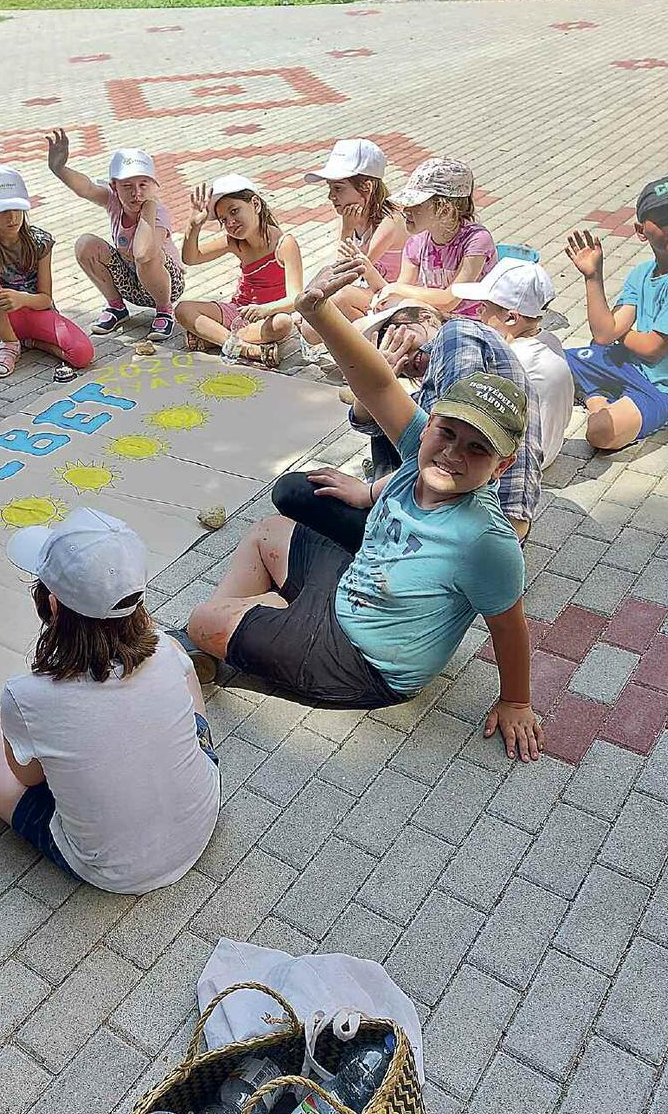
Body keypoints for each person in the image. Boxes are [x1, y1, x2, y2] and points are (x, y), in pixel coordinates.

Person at [187, 261, 541, 762]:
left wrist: (516, 701)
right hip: (353, 591)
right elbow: (376, 385)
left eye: (478, 449)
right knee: (270, 530)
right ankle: (239, 632)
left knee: (202, 619)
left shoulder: (487, 541)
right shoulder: (421, 440)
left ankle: (223, 633)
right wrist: (317, 310)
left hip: (364, 662)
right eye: (447, 433)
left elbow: (510, 627)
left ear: (502, 465)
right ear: (431, 421)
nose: (453, 454)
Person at [0, 509, 220, 893]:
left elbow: (28, 778)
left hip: (111, 869)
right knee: (182, 674)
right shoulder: (166, 649)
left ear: (52, 605)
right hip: (203, 817)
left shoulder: (25, 695)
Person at [274, 309, 543, 550]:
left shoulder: (456, 334)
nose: (397, 348)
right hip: (470, 520)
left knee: (293, 492)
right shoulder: (434, 385)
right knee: (382, 435)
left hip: (464, 529)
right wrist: (381, 373)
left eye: (394, 328)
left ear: (426, 317)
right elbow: (366, 421)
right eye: (382, 342)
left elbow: (461, 435)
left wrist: (366, 494)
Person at [564, 176, 668, 452]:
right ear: (641, 230)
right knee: (549, 363)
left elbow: (652, 348)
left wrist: (617, 335)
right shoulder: (642, 273)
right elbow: (606, 333)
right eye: (663, 220)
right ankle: (598, 395)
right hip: (630, 362)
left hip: (666, 388)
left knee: (601, 434)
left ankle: (597, 396)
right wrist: (593, 277)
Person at [0, 163, 95, 382]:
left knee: (83, 354)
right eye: (3, 211)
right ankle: (10, 344)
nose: (12, 217)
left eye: (17, 208)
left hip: (35, 310)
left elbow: (45, 299)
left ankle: (30, 342)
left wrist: (21, 298)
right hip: (3, 316)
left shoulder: (39, 241)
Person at [46, 131, 184, 341]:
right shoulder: (113, 201)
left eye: (143, 185)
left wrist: (149, 207)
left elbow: (143, 253)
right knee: (85, 244)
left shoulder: (158, 213)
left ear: (154, 186)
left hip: (165, 285)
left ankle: (165, 311)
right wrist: (59, 169)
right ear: (114, 186)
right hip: (131, 280)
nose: (136, 193)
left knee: (149, 256)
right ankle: (117, 307)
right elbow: (87, 188)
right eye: (127, 186)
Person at [453, 258, 574, 468]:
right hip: (550, 447)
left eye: (483, 308)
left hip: (524, 460)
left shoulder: (511, 360)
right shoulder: (549, 340)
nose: (478, 314)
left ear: (510, 318)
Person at [175, 175, 302, 367]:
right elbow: (191, 258)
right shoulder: (234, 242)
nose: (231, 223)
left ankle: (213, 339)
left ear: (256, 204)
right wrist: (193, 226)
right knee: (183, 309)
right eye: (224, 220)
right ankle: (246, 349)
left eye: (235, 211)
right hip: (238, 312)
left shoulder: (285, 243)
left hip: (267, 316)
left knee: (283, 324)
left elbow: (296, 298)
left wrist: (264, 309)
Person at [370, 157, 497, 319]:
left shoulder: (477, 240)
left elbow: (450, 300)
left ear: (445, 210)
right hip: (436, 316)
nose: (406, 210)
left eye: (416, 204)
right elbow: (402, 288)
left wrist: (397, 290)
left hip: (473, 321)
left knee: (408, 311)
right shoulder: (416, 242)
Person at [303, 138, 407, 321]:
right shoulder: (352, 216)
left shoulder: (391, 220)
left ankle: (364, 348)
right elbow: (338, 271)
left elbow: (348, 273)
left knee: (338, 298)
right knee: (312, 309)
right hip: (369, 292)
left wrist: (347, 230)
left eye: (338, 188)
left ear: (367, 187)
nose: (331, 196)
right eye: (330, 188)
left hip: (394, 296)